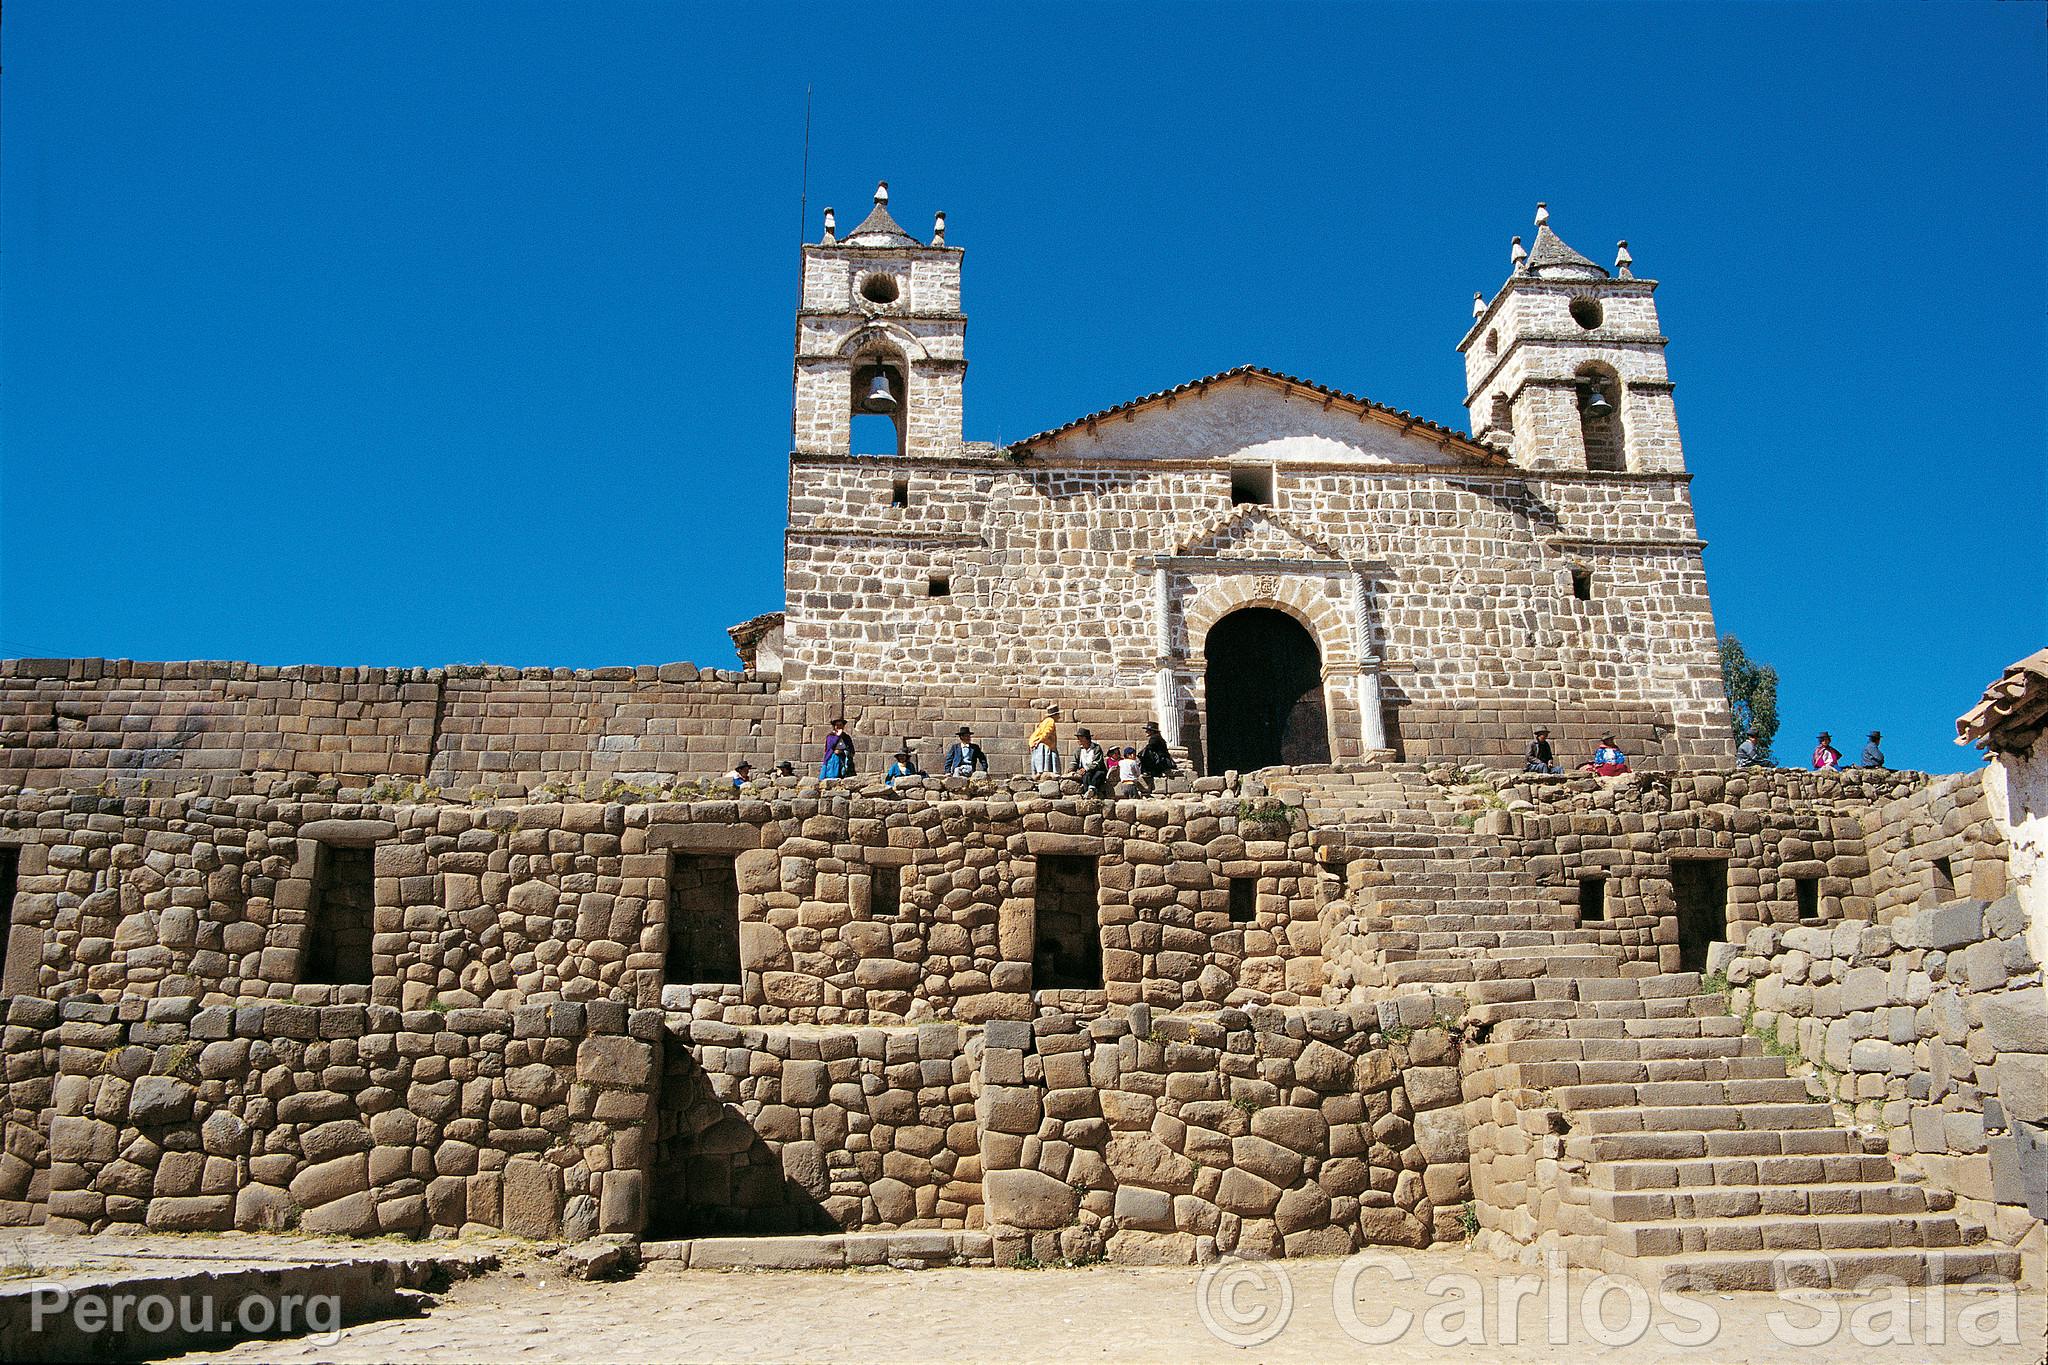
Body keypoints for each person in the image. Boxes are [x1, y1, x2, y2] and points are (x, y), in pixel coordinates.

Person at [1138, 722, 1177, 791]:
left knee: (1146, 753)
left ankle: (1147, 771)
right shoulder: (1157, 737)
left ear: (1152, 731)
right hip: (1162, 760)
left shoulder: (1154, 738)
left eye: (1148, 730)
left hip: (1162, 762)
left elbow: (1149, 748)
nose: (1146, 732)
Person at [1071, 729, 1109, 795]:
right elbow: (1074, 762)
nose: (1079, 740)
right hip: (1086, 772)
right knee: (1086, 776)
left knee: (1097, 775)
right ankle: (1087, 793)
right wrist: (1071, 769)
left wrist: (1086, 769)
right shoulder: (1078, 750)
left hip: (1097, 770)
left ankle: (1093, 791)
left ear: (1086, 738)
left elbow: (1097, 762)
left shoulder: (1096, 748)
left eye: (1081, 738)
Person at [1028, 705, 1061, 776]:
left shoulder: (1045, 721)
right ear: (1055, 715)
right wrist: (1039, 741)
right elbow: (1046, 732)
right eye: (1058, 714)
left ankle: (1039, 773)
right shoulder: (1050, 721)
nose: (1059, 717)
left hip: (1038, 742)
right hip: (1043, 743)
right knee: (1045, 766)